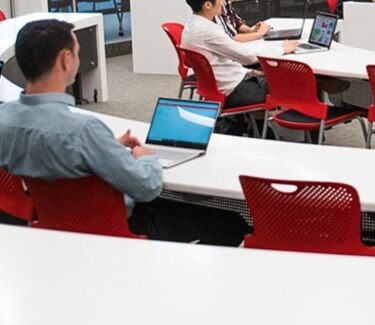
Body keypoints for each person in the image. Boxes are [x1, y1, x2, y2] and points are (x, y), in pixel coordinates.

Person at [0, 19, 248, 244]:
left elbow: (53, 151)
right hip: (117, 227)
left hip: (55, 225)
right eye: (77, 53)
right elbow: (147, 187)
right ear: (66, 59)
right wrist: (146, 157)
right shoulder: (83, 131)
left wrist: (107, 147)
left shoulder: (5, 120)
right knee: (232, 222)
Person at [181, 0, 298, 112]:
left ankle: (260, 127)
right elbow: (247, 57)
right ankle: (315, 130)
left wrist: (251, 72)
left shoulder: (192, 26)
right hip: (235, 91)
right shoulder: (207, 31)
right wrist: (282, 49)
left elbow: (222, 65)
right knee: (296, 82)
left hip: (224, 86)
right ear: (207, 5)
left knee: (270, 74)